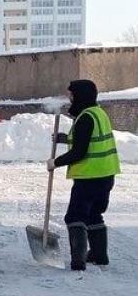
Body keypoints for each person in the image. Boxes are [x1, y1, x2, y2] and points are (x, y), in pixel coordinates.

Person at [48, 79, 120, 270]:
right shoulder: (98, 113)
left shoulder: (85, 117)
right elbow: (89, 140)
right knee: (95, 214)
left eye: (72, 95)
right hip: (106, 175)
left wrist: (55, 162)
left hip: (89, 177)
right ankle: (99, 255)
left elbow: (79, 152)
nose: (69, 99)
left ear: (80, 96)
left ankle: (78, 261)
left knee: (75, 217)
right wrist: (64, 138)